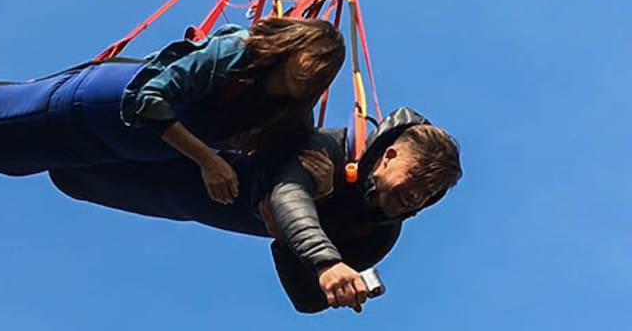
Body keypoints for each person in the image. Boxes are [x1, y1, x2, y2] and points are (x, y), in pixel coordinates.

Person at [46, 107, 462, 313]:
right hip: (199, 156)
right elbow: (287, 193)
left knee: (70, 175)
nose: (417, 197)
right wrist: (326, 261)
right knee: (76, 130)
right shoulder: (334, 149)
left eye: (430, 193)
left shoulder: (378, 233)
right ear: (389, 156)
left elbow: (309, 300)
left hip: (177, 197)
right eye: (417, 180)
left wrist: (289, 245)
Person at [0, 17, 345, 199]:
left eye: (325, 71)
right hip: (111, 105)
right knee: (25, 117)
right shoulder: (236, 52)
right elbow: (147, 98)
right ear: (295, 44)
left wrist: (322, 185)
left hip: (133, 143)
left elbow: (282, 157)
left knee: (32, 157)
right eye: (314, 58)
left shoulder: (285, 111)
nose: (313, 72)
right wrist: (209, 161)